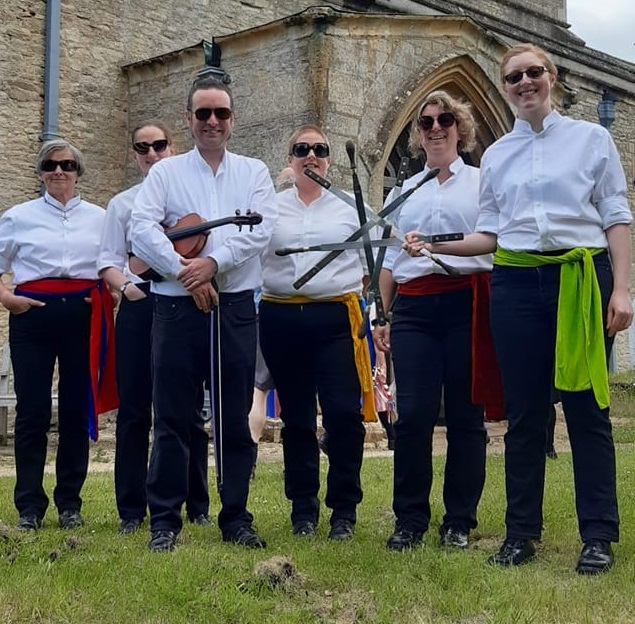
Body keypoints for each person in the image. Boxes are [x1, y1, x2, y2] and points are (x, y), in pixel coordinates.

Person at [407, 44, 632, 574]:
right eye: (514, 76)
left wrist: (621, 289)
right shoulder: (498, 156)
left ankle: (597, 535)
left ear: (551, 78)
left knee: (585, 409)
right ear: (504, 87)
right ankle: (521, 534)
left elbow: (615, 215)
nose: (525, 82)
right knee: (526, 413)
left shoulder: (592, 139)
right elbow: (489, 233)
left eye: (534, 73)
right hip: (514, 281)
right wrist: (435, 245)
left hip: (579, 277)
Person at [130, 76, 276, 552]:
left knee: (235, 414)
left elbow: (259, 232)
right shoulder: (165, 174)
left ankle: (235, 515)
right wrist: (184, 271)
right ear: (189, 118)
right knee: (172, 416)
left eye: (221, 113)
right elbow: (141, 230)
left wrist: (214, 263)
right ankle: (165, 521)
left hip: (234, 306)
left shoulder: (254, 172)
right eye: (202, 113)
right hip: (175, 308)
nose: (212, 122)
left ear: (233, 120)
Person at [373, 91, 493, 552]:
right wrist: (382, 313)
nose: (436, 128)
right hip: (415, 309)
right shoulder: (404, 191)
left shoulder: (481, 182)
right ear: (419, 134)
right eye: (426, 123)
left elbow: (491, 241)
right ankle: (410, 520)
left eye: (445, 120)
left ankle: (459, 520)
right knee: (414, 417)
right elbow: (387, 261)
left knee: (466, 415)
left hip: (465, 302)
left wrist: (436, 245)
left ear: (460, 129)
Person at [259, 124, 375, 541]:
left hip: (335, 321)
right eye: (301, 149)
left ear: (329, 158)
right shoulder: (270, 207)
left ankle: (344, 509)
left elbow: (370, 269)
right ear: (289, 158)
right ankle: (303, 509)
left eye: (319, 149)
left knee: (344, 415)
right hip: (281, 318)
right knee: (297, 419)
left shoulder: (349, 208)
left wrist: (374, 317)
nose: (311, 155)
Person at [98, 120, 211, 534]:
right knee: (133, 411)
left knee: (187, 409)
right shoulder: (122, 204)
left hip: (183, 304)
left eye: (159, 145)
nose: (151, 153)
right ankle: (131, 509)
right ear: (134, 154)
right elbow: (108, 259)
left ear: (171, 147)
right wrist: (127, 288)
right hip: (141, 303)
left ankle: (196, 502)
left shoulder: (189, 198)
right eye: (142, 147)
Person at [0, 139, 117, 531]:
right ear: (40, 172)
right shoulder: (18, 216)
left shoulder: (101, 218)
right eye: (50, 165)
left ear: (78, 172)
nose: (58, 171)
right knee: (31, 411)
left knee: (72, 409)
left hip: (82, 315)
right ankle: (29, 506)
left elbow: (114, 264)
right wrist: (7, 298)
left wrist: (111, 297)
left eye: (67, 165)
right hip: (32, 314)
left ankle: (70, 502)